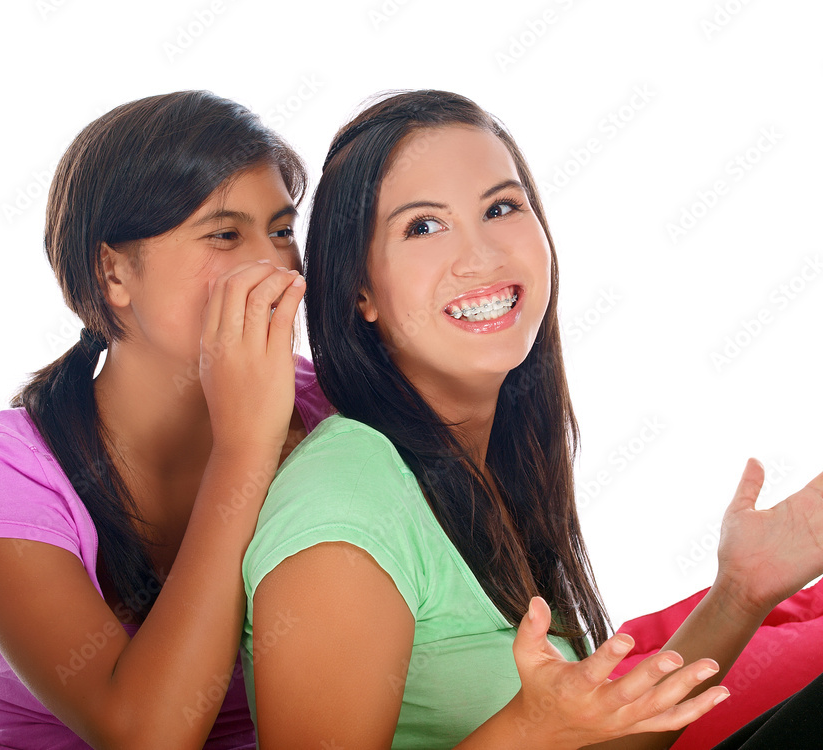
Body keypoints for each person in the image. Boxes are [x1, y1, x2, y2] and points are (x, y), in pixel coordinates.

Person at [241, 90, 823, 749]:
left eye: (500, 208)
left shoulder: (474, 472)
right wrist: (527, 728)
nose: (482, 255)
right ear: (360, 291)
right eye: (423, 227)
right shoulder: (345, 501)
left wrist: (741, 594)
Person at [0, 91, 331, 749]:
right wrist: (246, 448)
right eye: (225, 234)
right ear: (112, 272)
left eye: (281, 231)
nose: (275, 267)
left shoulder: (334, 413)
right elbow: (143, 735)